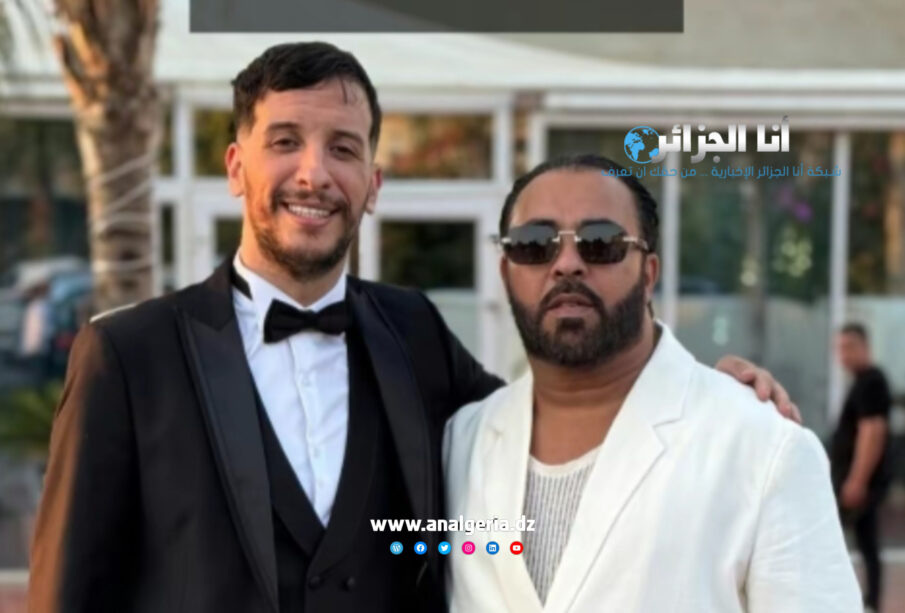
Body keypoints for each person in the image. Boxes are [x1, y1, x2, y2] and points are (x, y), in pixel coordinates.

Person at [30, 43, 793, 613]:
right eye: (285, 141)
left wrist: (696, 391)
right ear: (236, 167)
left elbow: (554, 417)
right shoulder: (127, 355)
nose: (313, 173)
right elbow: (69, 592)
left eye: (342, 148)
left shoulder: (413, 330)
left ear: (372, 184)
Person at [443, 154, 862, 612]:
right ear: (506, 272)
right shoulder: (459, 442)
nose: (566, 264)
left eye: (600, 242)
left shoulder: (762, 446)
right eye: (534, 243)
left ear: (648, 274)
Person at [832, 323, 893, 613]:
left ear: (864, 347)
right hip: (854, 480)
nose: (843, 355)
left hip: (860, 483)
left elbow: (873, 431)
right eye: (839, 348)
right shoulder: (861, 382)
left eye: (849, 347)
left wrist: (857, 480)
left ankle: (870, 602)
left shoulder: (872, 382)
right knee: (865, 541)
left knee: (852, 540)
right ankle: (870, 601)